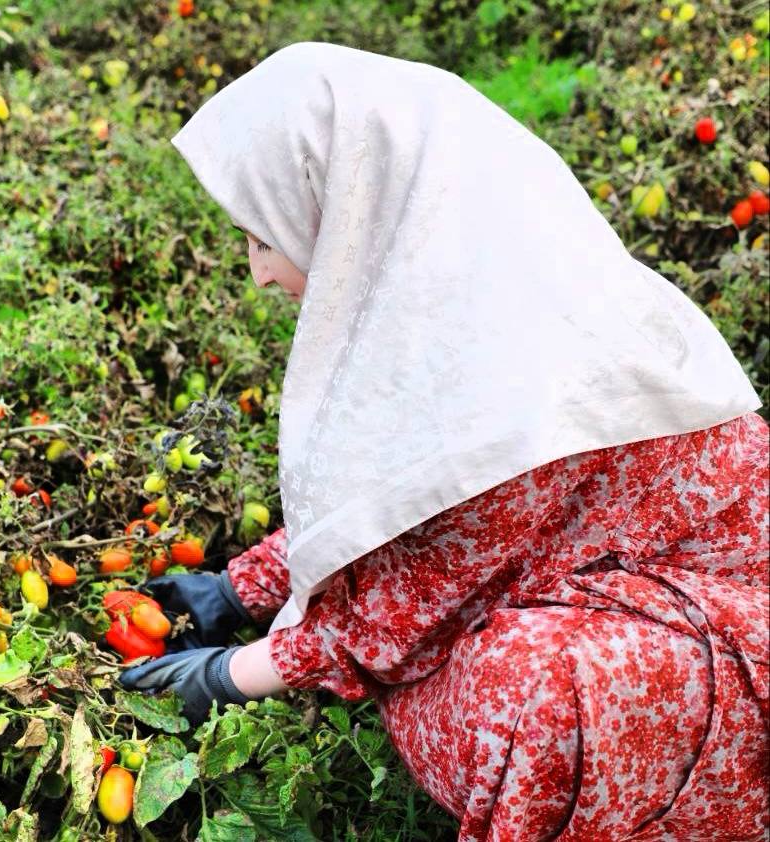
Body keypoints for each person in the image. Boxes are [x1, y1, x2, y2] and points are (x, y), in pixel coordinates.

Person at [119, 42, 769, 839]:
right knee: (443, 681)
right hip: (600, 582)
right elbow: (407, 501)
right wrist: (242, 590)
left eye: (262, 239)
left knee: (526, 689)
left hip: (721, 633)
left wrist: (230, 675)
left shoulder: (523, 353)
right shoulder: (443, 293)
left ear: (345, 215)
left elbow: (419, 585)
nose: (257, 273)